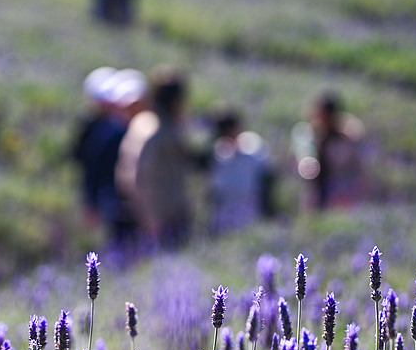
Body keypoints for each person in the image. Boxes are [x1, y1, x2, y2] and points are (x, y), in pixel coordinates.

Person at [117, 66, 194, 250]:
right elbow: (142, 177)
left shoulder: (144, 122)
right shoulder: (159, 132)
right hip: (160, 219)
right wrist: (151, 220)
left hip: (141, 212)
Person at [72, 67, 145, 252]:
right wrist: (91, 202)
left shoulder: (121, 128)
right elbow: (94, 168)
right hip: (113, 198)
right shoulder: (107, 131)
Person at [292, 91, 366, 211]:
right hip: (315, 194)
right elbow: (305, 166)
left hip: (339, 195)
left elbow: (353, 168)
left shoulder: (344, 140)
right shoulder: (307, 136)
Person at [208, 110, 273, 234]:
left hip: (249, 207)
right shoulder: (217, 154)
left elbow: (266, 171)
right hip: (225, 212)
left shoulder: (252, 147)